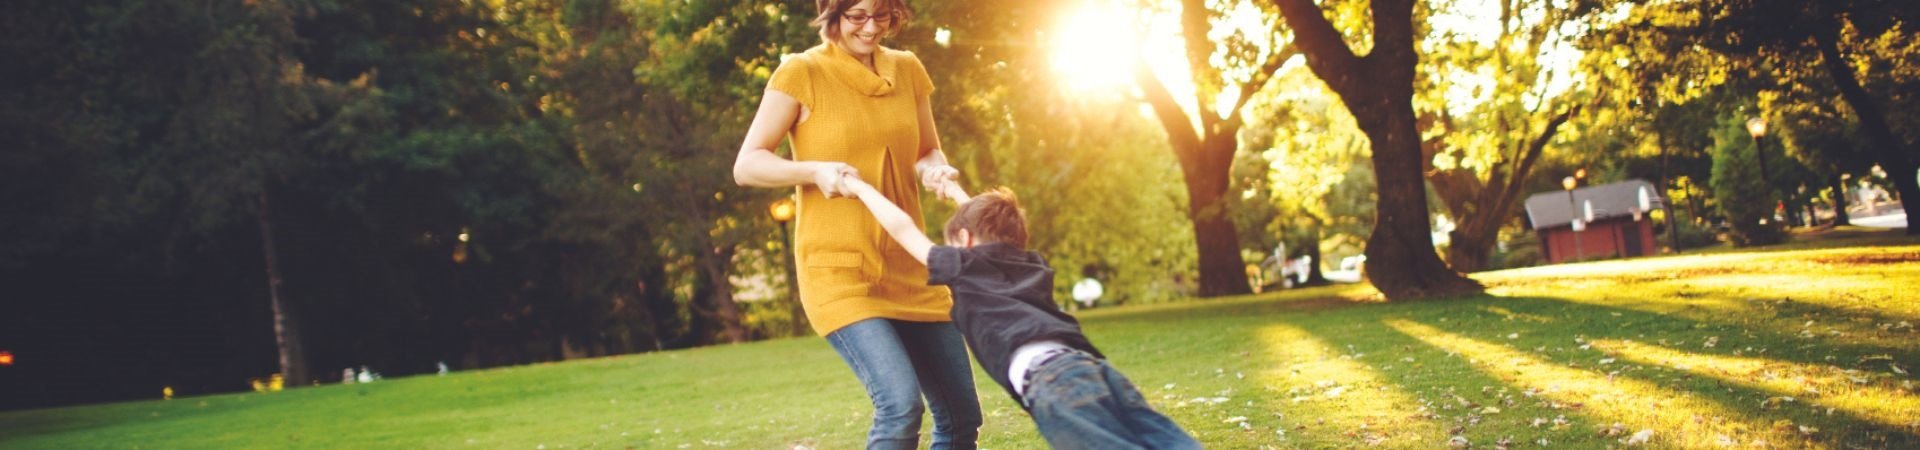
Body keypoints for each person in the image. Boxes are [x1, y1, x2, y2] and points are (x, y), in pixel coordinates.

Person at [730, 0, 980, 448]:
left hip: (911, 264)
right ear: (832, 14)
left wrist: (934, 171)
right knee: (901, 406)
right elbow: (747, 165)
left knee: (962, 419)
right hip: (840, 270)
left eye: (882, 15)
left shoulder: (907, 69)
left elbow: (927, 149)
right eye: (858, 16)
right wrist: (813, 171)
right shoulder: (801, 73)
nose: (871, 28)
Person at [840, 177, 1202, 449]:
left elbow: (904, 229)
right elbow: (988, 227)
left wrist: (859, 187)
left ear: (964, 241)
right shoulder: (1031, 264)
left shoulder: (963, 265)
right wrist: (954, 192)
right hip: (1095, 370)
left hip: (1053, 383)